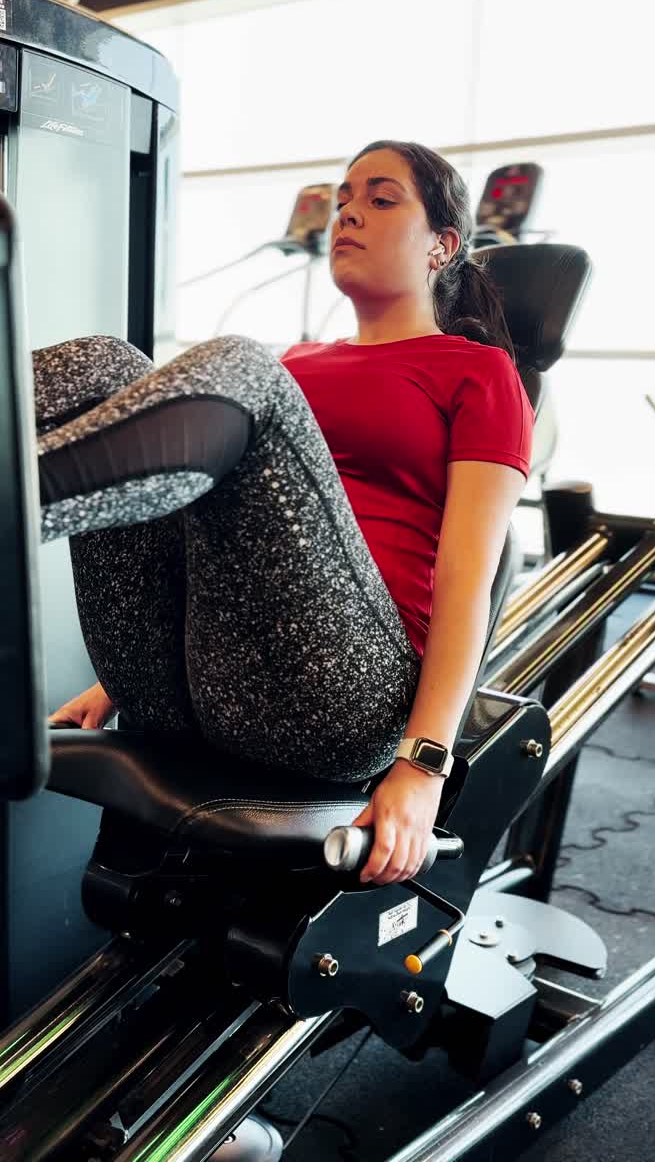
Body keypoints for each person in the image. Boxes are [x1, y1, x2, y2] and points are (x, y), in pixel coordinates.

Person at [42, 139, 533, 891]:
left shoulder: (476, 371)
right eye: (342, 200)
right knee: (109, 363)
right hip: (193, 680)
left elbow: (468, 583)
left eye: (380, 198)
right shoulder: (301, 360)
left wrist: (424, 764)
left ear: (443, 244)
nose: (348, 215)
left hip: (343, 690)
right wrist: (124, 667)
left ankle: (17, 506)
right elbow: (198, 523)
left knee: (245, 369)